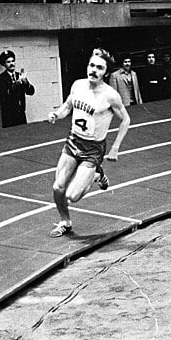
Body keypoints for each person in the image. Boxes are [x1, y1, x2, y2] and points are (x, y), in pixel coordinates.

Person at [47, 48, 130, 238]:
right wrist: (56, 115)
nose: (94, 70)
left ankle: (96, 176)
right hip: (73, 141)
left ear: (106, 73)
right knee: (57, 188)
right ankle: (65, 222)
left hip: (92, 149)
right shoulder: (78, 85)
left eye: (99, 68)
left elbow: (126, 120)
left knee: (73, 196)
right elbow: (67, 106)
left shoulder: (110, 96)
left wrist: (116, 147)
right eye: (91, 65)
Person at [0, 49, 36, 128]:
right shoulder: (0, 79)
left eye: (13, 61)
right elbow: (4, 95)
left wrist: (25, 82)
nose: (12, 64)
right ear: (4, 64)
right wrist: (15, 84)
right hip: (9, 117)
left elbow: (31, 92)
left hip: (21, 115)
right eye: (8, 62)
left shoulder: (19, 75)